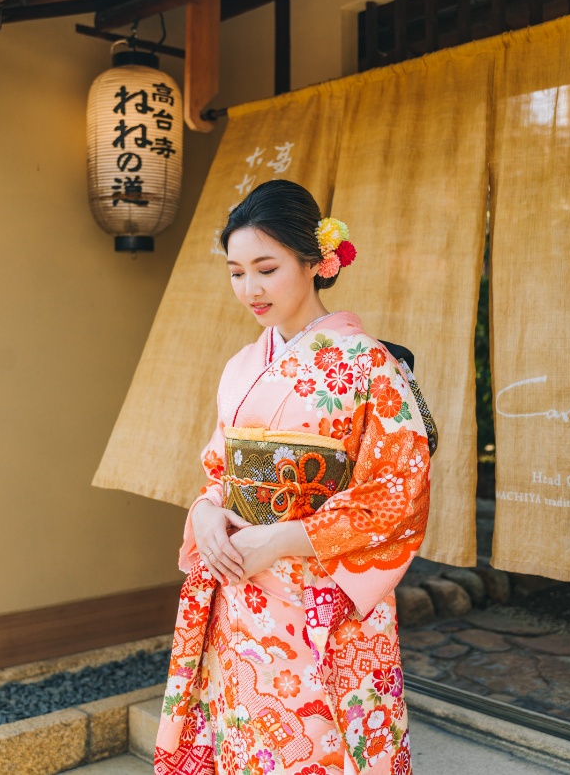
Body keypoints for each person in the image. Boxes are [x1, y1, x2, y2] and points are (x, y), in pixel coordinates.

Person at [154, 180, 431, 775]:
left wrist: (281, 538)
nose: (249, 289)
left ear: (315, 261)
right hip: (239, 588)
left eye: (266, 267)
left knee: (323, 745)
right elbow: (219, 468)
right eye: (235, 272)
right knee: (246, 738)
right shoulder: (241, 365)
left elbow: (397, 491)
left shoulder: (370, 365)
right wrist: (206, 510)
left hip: (321, 596)